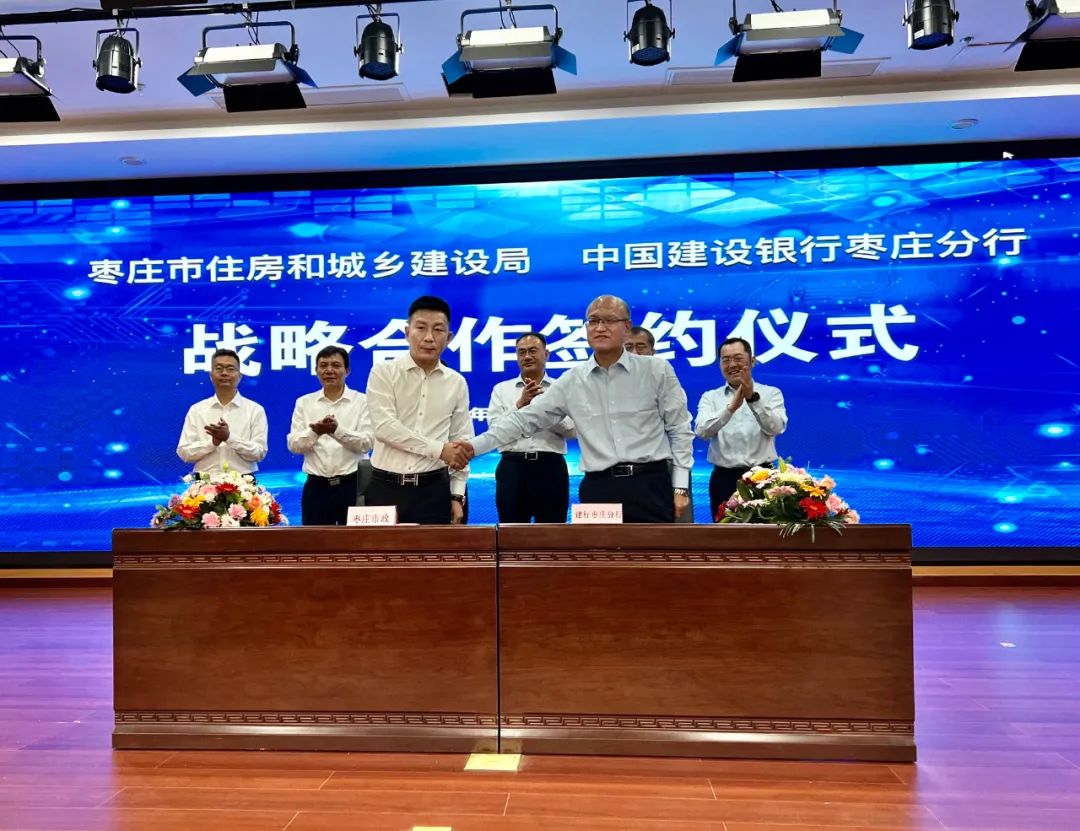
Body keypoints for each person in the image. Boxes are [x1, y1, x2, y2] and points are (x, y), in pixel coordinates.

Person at [457, 295, 693, 524]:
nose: (600, 328)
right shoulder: (572, 380)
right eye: (593, 321)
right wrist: (472, 447)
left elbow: (679, 428)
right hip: (598, 487)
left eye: (609, 320)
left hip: (651, 483)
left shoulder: (656, 370)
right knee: (597, 552)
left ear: (627, 326)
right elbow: (523, 421)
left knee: (652, 551)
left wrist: (680, 486)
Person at [364, 296, 473, 525]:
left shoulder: (457, 383)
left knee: (436, 549)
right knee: (382, 550)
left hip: (434, 491)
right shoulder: (383, 372)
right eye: (421, 328)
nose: (429, 337)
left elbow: (461, 441)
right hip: (385, 488)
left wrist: (457, 495)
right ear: (407, 332)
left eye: (438, 330)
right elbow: (384, 428)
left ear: (449, 338)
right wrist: (439, 450)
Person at [695, 337, 787, 521]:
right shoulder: (710, 397)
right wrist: (730, 408)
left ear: (752, 361)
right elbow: (702, 432)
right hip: (723, 479)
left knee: (764, 533)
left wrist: (753, 399)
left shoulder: (771, 393)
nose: (732, 365)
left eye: (738, 358)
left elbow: (776, 428)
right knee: (725, 534)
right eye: (726, 360)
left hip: (762, 477)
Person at [487, 331, 575, 523]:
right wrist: (520, 404)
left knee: (552, 532)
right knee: (512, 533)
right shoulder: (501, 389)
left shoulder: (562, 388)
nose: (527, 356)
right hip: (512, 467)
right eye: (522, 352)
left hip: (551, 467)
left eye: (533, 351)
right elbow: (495, 431)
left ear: (546, 354)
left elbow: (572, 430)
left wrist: (544, 407)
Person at [286, 345, 374, 526]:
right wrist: (315, 432)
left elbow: (367, 442)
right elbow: (294, 445)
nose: (329, 370)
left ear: (347, 370)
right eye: (323, 365)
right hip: (316, 487)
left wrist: (337, 431)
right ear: (316, 370)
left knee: (356, 540)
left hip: (353, 485)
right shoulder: (304, 402)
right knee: (314, 541)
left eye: (336, 365)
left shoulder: (362, 401)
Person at [624, 325, 696, 524]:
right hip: (628, 474)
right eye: (628, 347)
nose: (635, 353)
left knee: (675, 529)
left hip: (668, 466)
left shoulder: (666, 382)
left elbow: (681, 432)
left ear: (653, 351)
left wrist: (680, 486)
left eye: (641, 347)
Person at [176, 347, 267, 476]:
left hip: (244, 482)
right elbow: (184, 452)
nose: (224, 373)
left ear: (240, 376)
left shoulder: (255, 410)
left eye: (230, 369)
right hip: (205, 482)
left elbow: (259, 453)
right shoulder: (197, 410)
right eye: (219, 368)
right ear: (211, 376)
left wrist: (229, 438)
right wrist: (212, 443)